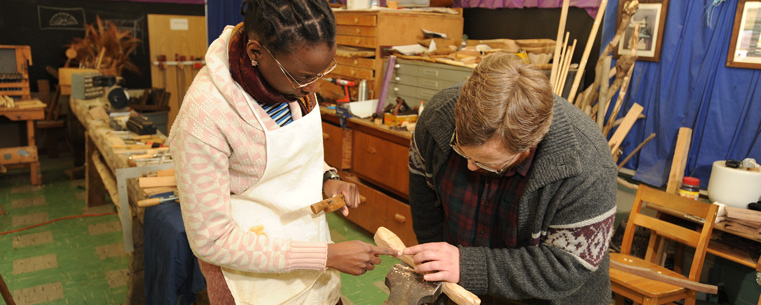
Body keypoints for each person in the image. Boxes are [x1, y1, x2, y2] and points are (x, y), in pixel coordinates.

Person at [167, 1, 397, 304]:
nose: (313, 87)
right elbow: (211, 240)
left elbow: (296, 156)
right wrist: (326, 255)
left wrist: (327, 178)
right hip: (249, 279)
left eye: (323, 71)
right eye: (303, 76)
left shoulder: (292, 82)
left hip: (310, 253)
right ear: (255, 53)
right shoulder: (204, 117)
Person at [406, 53, 617, 304]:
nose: (470, 167)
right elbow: (426, 216)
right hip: (460, 292)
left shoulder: (586, 163)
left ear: (527, 146)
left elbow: (566, 268)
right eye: (461, 151)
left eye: (486, 163)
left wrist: (469, 267)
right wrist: (440, 272)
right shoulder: (436, 121)